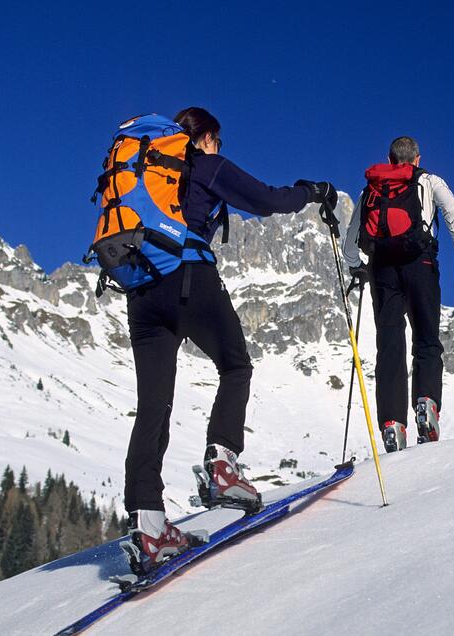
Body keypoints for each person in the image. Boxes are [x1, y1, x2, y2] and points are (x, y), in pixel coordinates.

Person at [124, 106, 337, 568]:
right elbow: (266, 200)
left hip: (140, 291)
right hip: (187, 277)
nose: (220, 148)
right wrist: (310, 191)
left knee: (153, 406)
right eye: (218, 141)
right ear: (205, 138)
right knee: (236, 365)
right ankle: (223, 465)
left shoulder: (142, 174)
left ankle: (149, 527)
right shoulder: (204, 165)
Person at [342, 136, 454, 453]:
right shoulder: (428, 181)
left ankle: (392, 423)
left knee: (389, 344)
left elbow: (352, 235)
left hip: (382, 268)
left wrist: (355, 266)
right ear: (417, 158)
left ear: (389, 160)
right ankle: (427, 404)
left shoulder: (371, 189)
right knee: (427, 338)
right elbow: (453, 212)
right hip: (421, 263)